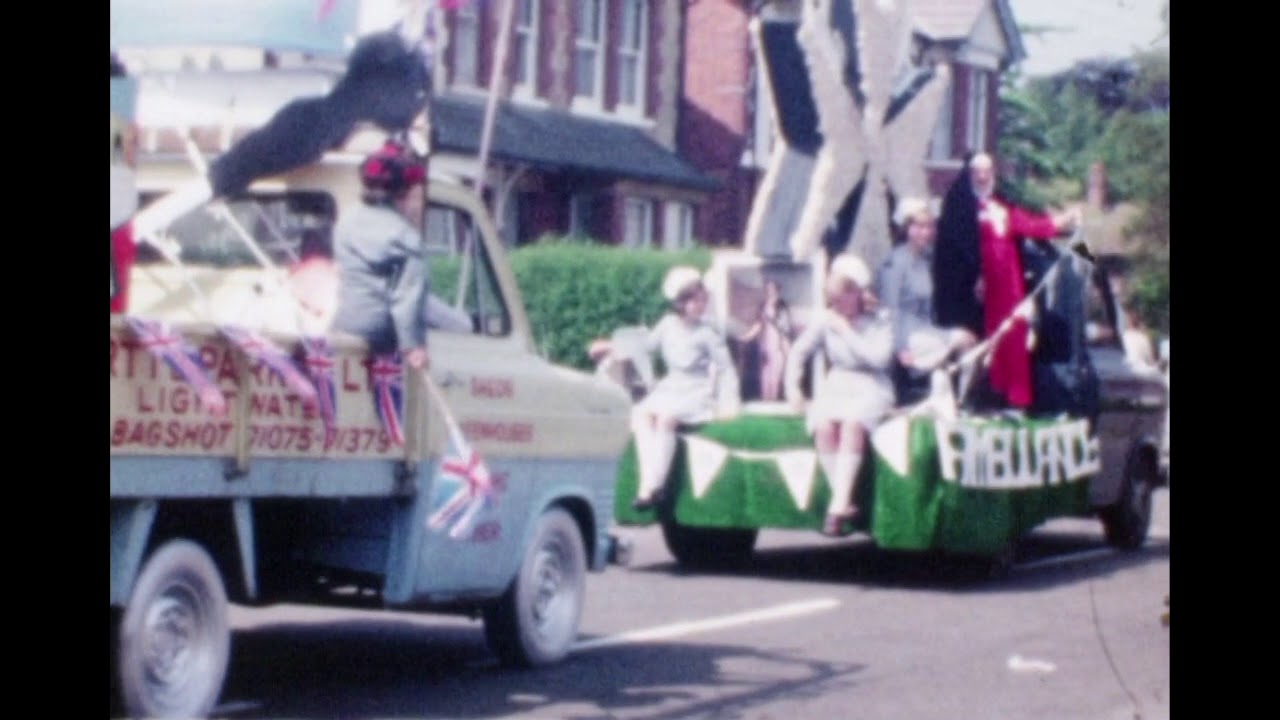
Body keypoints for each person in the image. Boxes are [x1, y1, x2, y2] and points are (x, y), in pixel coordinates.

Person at [589, 266, 741, 511]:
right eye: (693, 300)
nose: (699, 305)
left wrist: (729, 402)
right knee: (642, 415)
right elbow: (645, 345)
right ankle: (648, 487)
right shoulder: (668, 324)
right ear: (681, 303)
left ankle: (653, 486)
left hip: (696, 390)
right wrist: (610, 346)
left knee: (666, 419)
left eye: (702, 300)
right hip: (671, 387)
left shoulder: (707, 333)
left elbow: (726, 368)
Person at [951, 152, 1079, 410]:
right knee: (976, 347)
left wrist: (1061, 221)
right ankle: (974, 402)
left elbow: (1031, 226)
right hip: (974, 293)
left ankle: (1013, 404)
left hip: (1006, 290)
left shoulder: (1002, 208)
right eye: (977, 171)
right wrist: (973, 275)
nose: (983, 176)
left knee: (1012, 341)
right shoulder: (959, 210)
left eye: (987, 171)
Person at [785, 254, 894, 536]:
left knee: (852, 425)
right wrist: (794, 388)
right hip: (839, 383)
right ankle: (841, 502)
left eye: (840, 297)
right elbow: (798, 352)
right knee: (823, 425)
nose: (835, 304)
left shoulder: (880, 319)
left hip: (871, 384)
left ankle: (838, 506)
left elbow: (878, 359)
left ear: (856, 293)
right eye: (831, 298)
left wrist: (846, 332)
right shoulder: (826, 319)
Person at [331, 139, 430, 371]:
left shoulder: (346, 222)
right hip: (380, 333)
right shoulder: (405, 236)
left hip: (345, 324)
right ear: (403, 193)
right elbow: (406, 300)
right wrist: (413, 347)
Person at [877, 198, 977, 404]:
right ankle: (952, 398)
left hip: (922, 327)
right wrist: (899, 347)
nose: (927, 232)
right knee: (963, 341)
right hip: (903, 332)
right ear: (907, 229)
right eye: (920, 226)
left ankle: (961, 399)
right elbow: (889, 309)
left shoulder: (923, 260)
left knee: (969, 341)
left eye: (930, 226)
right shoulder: (895, 262)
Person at [739, 279, 794, 401]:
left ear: (777, 291)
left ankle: (774, 404)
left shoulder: (782, 306)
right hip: (765, 346)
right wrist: (746, 337)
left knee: (776, 378)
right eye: (768, 289)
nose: (770, 292)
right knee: (765, 378)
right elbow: (758, 325)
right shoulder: (763, 306)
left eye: (772, 289)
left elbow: (785, 328)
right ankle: (765, 404)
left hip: (778, 345)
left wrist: (787, 348)